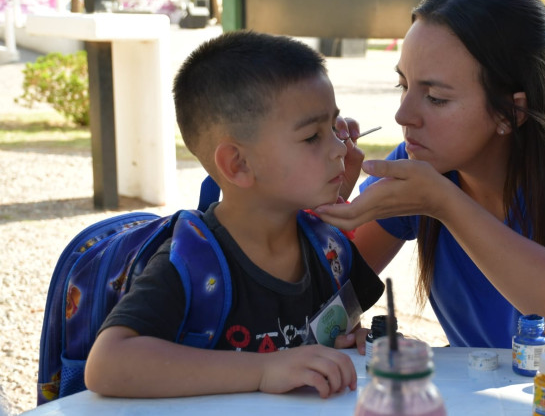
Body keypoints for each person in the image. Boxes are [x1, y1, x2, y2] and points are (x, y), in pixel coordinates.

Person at [315, 0, 545, 348]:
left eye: (436, 98)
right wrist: (320, 209)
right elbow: (323, 305)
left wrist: (446, 204)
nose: (403, 115)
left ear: (511, 112)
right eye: (404, 85)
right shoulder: (424, 162)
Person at [84, 31, 385, 399]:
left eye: (335, 129)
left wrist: (350, 341)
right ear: (238, 164)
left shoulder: (329, 249)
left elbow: (339, 332)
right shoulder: (193, 264)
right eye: (312, 137)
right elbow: (107, 364)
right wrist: (264, 369)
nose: (341, 149)